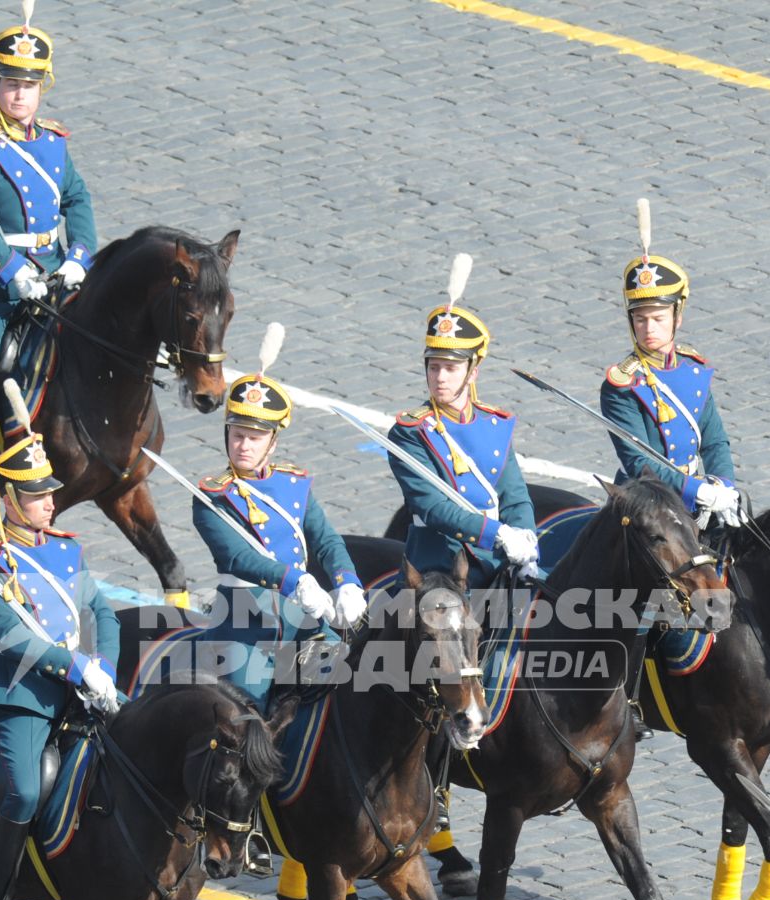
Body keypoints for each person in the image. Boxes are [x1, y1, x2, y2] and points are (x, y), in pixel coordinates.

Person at [0, 421, 120, 900]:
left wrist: (106, 668)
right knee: (25, 791)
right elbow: (12, 640)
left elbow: (100, 612)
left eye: (50, 494)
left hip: (84, 687)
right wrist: (78, 669)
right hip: (22, 692)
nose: (50, 505)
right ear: (8, 498)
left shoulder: (65, 551)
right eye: (36, 497)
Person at [0, 3, 96, 501]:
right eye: (9, 84)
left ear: (40, 87)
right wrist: (10, 271)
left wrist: (79, 254)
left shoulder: (53, 143)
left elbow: (77, 199)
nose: (18, 93)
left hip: (50, 270)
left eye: (27, 85)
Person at [189, 323, 364, 707]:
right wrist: (296, 580)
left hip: (303, 619)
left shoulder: (293, 485)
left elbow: (326, 539)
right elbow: (238, 558)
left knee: (360, 686)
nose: (243, 445)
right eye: (236, 434)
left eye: (254, 437)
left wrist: (347, 581)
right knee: (247, 723)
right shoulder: (212, 497)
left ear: (273, 441)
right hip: (244, 627)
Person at [387, 253, 537, 590]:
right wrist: (497, 533)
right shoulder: (410, 433)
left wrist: (528, 544)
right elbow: (434, 508)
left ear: (473, 371)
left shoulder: (495, 425)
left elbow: (514, 496)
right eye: (433, 366)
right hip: (436, 567)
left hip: (497, 563)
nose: (440, 377)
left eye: (451, 368)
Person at [599, 199, 740, 529]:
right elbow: (638, 462)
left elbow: (714, 439)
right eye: (640, 320)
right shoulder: (621, 385)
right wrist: (697, 490)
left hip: (700, 498)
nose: (649, 329)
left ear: (678, 317)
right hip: (646, 506)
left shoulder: (691, 370)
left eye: (658, 319)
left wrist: (723, 484)